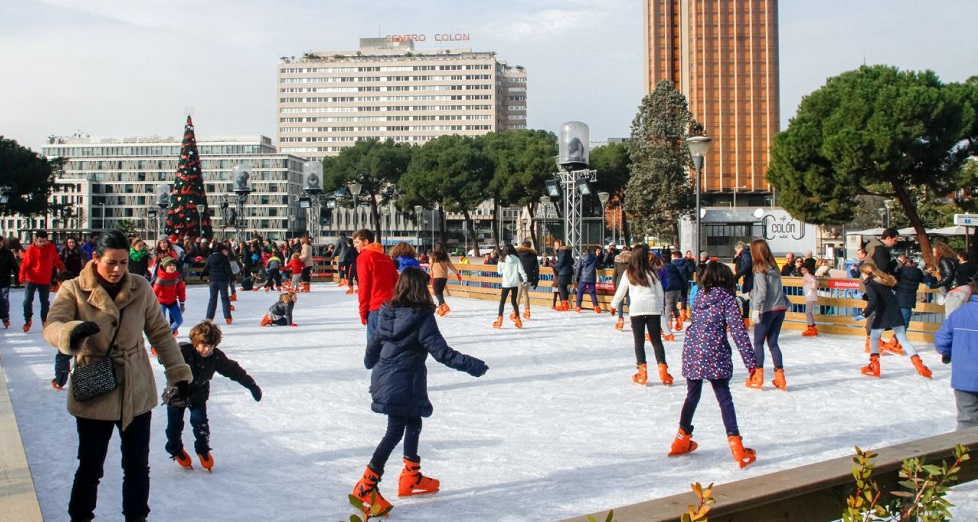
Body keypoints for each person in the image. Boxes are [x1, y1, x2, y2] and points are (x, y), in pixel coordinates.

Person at [42, 229, 193, 522]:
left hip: (135, 386)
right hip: (95, 383)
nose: (118, 269)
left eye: (123, 263)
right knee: (90, 465)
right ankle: (80, 517)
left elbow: (160, 333)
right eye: (112, 262)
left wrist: (178, 373)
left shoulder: (140, 287)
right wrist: (71, 332)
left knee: (137, 465)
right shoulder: (73, 289)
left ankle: (137, 518)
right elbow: (53, 324)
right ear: (95, 258)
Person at [353, 267, 488, 516]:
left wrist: (370, 362)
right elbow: (443, 353)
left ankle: (411, 475)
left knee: (413, 420)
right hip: (402, 383)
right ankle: (367, 485)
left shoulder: (387, 312)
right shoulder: (421, 317)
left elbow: (373, 343)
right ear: (419, 288)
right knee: (394, 431)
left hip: (388, 378)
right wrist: (474, 365)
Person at [667, 261, 758, 469]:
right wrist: (751, 363)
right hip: (715, 351)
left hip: (693, 351)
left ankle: (681, 439)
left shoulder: (699, 297)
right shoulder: (727, 300)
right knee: (724, 397)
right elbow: (738, 332)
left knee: (692, 395)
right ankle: (737, 447)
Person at [164, 320, 262, 471]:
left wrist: (252, 385)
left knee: (201, 424)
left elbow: (233, 370)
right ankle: (174, 448)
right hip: (177, 394)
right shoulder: (184, 351)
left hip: (198, 394)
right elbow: (167, 358)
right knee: (174, 429)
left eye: (211, 347)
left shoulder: (215, 357)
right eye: (204, 345)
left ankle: (203, 449)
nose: (206, 350)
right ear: (196, 342)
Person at [608, 243, 672, 386]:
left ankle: (642, 372)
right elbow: (660, 294)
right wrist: (660, 308)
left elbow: (621, 290)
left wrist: (613, 305)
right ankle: (663, 371)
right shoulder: (652, 274)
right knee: (656, 341)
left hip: (636, 309)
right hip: (653, 309)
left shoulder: (628, 273)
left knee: (639, 342)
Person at [856, 262, 932, 379]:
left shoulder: (869, 283)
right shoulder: (882, 279)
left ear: (865, 273)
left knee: (874, 337)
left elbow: (874, 301)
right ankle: (920, 365)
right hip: (895, 311)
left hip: (883, 314)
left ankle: (874, 366)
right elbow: (882, 295)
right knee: (903, 339)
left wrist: (864, 313)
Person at [933, 276, 978, 430]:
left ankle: (965, 453)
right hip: (965, 378)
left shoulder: (959, 314)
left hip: (965, 377)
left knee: (967, 421)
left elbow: (941, 341)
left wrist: (951, 353)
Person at [746, 239, 790, 390]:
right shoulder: (774, 267)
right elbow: (774, 290)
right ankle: (780, 378)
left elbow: (763, 291)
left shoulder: (759, 268)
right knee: (773, 343)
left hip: (767, 309)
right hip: (779, 308)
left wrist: (756, 308)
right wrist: (749, 295)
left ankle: (758, 376)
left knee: (758, 342)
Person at [354, 228, 398, 338]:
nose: (355, 245)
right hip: (390, 305)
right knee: (388, 344)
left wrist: (363, 311)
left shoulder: (364, 257)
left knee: (374, 348)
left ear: (366, 242)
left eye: (357, 242)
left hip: (375, 307)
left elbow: (364, 285)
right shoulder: (386, 258)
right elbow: (396, 281)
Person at [20, 230, 66, 332]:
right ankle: (28, 319)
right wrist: (21, 275)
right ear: (36, 240)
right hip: (31, 278)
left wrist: (62, 269)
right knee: (27, 301)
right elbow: (25, 264)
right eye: (41, 241)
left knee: (45, 302)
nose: (43, 243)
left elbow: (56, 260)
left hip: (45, 279)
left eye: (45, 241)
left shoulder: (51, 247)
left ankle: (44, 320)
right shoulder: (31, 249)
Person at [493, 244, 528, 329]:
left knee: (502, 302)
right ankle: (518, 320)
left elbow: (499, 272)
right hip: (515, 283)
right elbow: (521, 270)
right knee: (514, 302)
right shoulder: (516, 259)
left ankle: (500, 320)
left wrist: (503, 268)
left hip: (506, 284)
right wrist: (525, 279)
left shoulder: (502, 259)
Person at [153, 257, 186, 338]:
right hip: (161, 302)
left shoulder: (177, 276)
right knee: (162, 320)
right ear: (165, 267)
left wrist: (182, 302)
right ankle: (162, 335)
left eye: (173, 266)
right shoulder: (161, 278)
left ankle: (169, 332)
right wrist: (152, 304)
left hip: (172, 301)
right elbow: (154, 292)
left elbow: (181, 290)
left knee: (179, 320)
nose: (172, 267)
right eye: (170, 266)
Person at [203, 243, 234, 325]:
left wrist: (203, 274)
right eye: (226, 250)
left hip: (213, 280)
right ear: (222, 250)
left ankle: (209, 318)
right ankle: (227, 317)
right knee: (225, 298)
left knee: (212, 299)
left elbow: (206, 267)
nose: (227, 252)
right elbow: (228, 269)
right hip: (223, 281)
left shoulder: (210, 257)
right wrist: (232, 278)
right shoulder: (224, 258)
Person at [429, 242, 461, 317]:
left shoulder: (433, 255)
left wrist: (431, 272)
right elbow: (451, 265)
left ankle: (444, 306)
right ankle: (441, 309)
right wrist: (457, 273)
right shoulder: (445, 256)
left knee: (437, 293)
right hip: (444, 277)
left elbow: (430, 266)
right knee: (440, 293)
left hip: (436, 276)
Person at [894, 257, 925, 330]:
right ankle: (898, 339)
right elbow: (924, 279)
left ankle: (896, 339)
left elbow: (894, 279)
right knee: (904, 322)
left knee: (897, 321)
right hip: (909, 300)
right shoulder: (917, 272)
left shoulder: (900, 271)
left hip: (898, 298)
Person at [515, 240, 540, 320]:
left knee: (518, 294)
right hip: (529, 277)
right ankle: (527, 311)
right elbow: (536, 268)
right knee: (525, 294)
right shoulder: (533, 255)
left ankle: (515, 312)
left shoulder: (518, 254)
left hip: (520, 277)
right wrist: (536, 279)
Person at [610, 245, 632, 331]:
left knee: (619, 301)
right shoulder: (632, 260)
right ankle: (632, 319)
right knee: (630, 301)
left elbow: (614, 274)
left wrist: (614, 283)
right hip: (630, 281)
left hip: (619, 281)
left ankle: (620, 319)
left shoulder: (617, 260)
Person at [733, 241, 754, 328]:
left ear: (740, 248)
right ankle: (747, 321)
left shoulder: (745, 252)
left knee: (746, 299)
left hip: (750, 278)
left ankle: (745, 321)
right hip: (752, 277)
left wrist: (739, 274)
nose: (736, 252)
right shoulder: (750, 252)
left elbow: (747, 265)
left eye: (737, 250)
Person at [0, 236, 19, 329]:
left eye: (1, 242)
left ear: (3, 243)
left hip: (4, 281)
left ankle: (5, 318)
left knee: (4, 300)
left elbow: (15, 267)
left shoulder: (8, 254)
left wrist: (17, 279)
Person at [574, 247, 601, 313]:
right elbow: (598, 266)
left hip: (583, 278)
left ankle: (578, 306)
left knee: (580, 292)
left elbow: (578, 268)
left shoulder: (581, 258)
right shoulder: (594, 258)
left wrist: (577, 277)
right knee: (592, 292)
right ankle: (596, 306)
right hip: (592, 278)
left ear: (583, 252)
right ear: (589, 252)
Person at [552, 239, 575, 311]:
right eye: (555, 245)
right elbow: (572, 261)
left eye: (556, 244)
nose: (555, 246)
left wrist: (553, 265)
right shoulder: (567, 252)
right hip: (568, 272)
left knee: (561, 287)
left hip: (563, 272)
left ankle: (564, 305)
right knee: (564, 288)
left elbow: (561, 263)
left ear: (560, 245)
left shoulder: (561, 251)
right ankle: (565, 304)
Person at [800, 264, 819, 337]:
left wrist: (812, 288)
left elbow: (814, 281)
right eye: (802, 270)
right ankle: (812, 327)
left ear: (807, 270)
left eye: (804, 270)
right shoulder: (809, 275)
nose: (802, 271)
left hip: (810, 296)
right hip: (811, 296)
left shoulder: (807, 276)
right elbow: (816, 281)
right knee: (809, 312)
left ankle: (811, 328)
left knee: (808, 312)